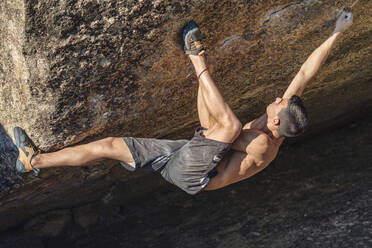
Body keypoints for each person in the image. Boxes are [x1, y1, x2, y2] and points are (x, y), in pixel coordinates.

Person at [13, 11, 353, 195]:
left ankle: (196, 56)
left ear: (277, 122)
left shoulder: (262, 145)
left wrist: (202, 71)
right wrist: (337, 32)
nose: (277, 99)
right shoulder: (278, 121)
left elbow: (217, 128)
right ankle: (35, 160)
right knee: (111, 145)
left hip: (196, 175)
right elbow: (306, 73)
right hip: (190, 154)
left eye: (279, 104)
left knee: (229, 125)